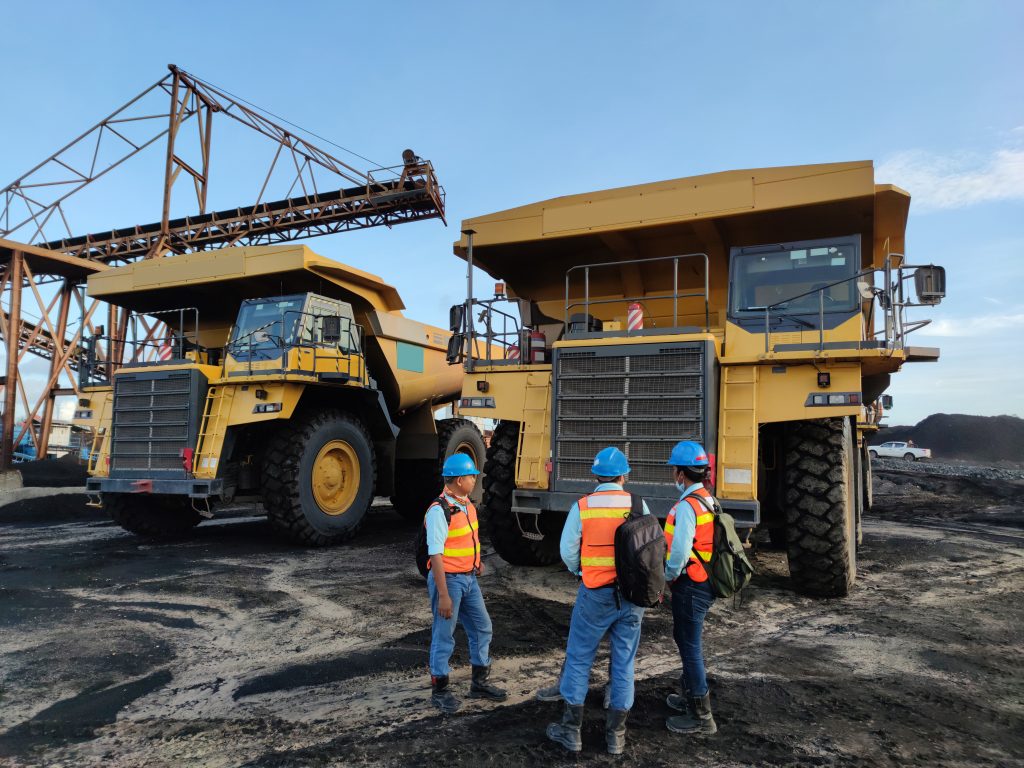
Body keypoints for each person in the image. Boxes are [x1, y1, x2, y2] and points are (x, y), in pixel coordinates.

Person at [546, 447, 649, 755]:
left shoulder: (584, 506)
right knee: (624, 663)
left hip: (595, 593)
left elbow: (567, 550)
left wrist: (581, 569)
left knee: (579, 658)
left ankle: (571, 732)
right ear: (624, 475)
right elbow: (647, 548)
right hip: (631, 597)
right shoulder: (637, 504)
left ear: (596, 475)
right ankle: (616, 736)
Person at [425, 453, 507, 714]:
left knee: (483, 627)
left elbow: (468, 538)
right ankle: (440, 689)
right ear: (460, 480)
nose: (475, 480)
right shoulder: (440, 511)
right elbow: (435, 555)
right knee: (443, 634)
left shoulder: (467, 505)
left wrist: (476, 561)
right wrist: (444, 594)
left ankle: (479, 682)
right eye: (472, 476)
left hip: (468, 579)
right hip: (448, 581)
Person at [663, 440, 718, 735]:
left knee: (690, 646)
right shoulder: (709, 500)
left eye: (675, 469)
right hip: (705, 581)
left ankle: (701, 716)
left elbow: (680, 553)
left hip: (691, 584)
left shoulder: (687, 506)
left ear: (681, 474)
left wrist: (666, 577)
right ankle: (689, 697)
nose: (674, 474)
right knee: (686, 639)